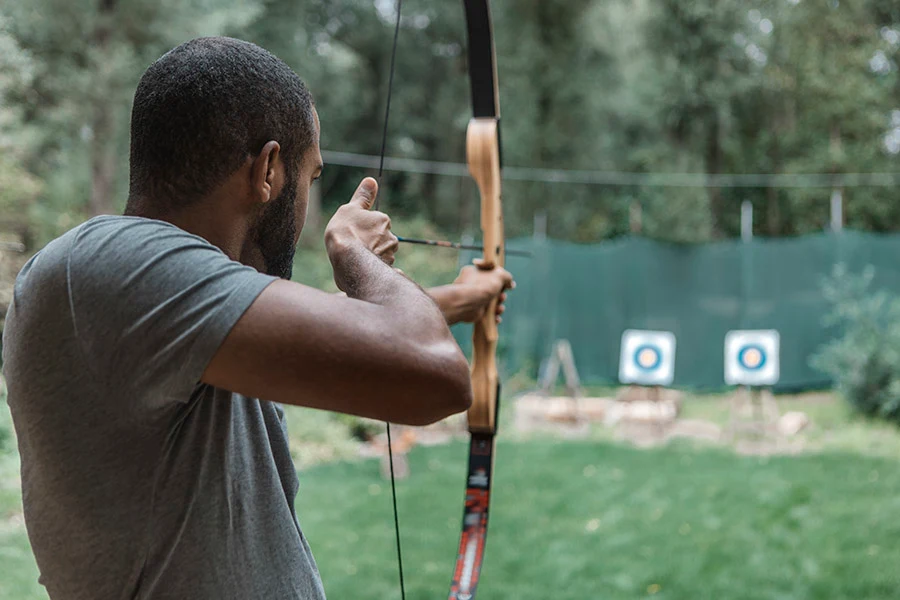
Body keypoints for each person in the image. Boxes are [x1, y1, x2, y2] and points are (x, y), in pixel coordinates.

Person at [2, 37, 513, 600]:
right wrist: (353, 253)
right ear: (269, 169)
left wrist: (458, 299)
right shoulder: (111, 262)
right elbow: (432, 377)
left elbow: (320, 335)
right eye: (311, 179)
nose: (305, 204)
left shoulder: (139, 294)